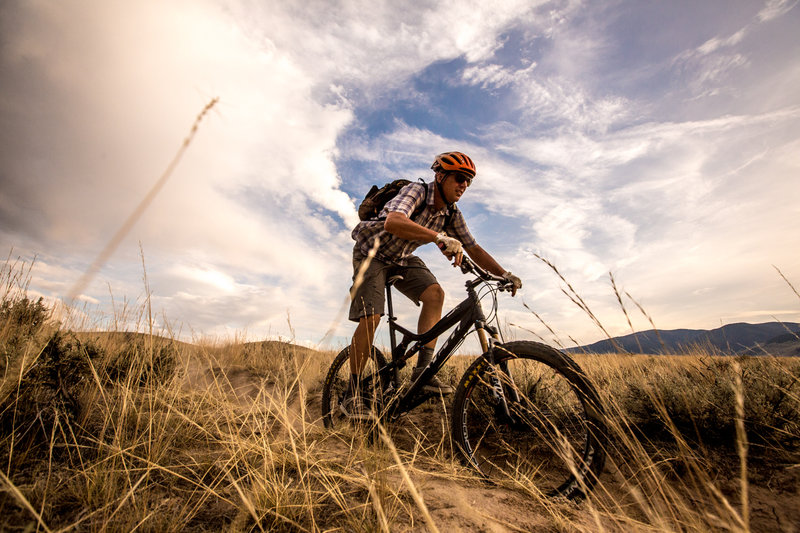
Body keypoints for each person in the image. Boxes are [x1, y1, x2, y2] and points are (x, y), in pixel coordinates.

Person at [347, 151, 522, 406]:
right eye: (460, 178)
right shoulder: (416, 192)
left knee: (435, 294)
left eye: (468, 181)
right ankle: (351, 392)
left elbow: (474, 248)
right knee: (372, 316)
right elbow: (394, 222)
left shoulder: (451, 214)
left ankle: (422, 373)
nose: (464, 185)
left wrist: (505, 274)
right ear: (440, 176)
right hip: (371, 253)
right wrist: (439, 237)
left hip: (402, 258)